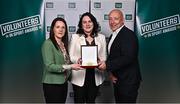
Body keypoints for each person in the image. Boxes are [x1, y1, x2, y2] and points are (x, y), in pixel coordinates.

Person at [69, 12, 107, 103]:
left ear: (94, 23)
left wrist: (100, 61)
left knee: (91, 101)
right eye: (84, 22)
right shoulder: (75, 37)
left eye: (90, 21)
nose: (87, 24)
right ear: (81, 25)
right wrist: (77, 60)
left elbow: (104, 56)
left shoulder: (101, 37)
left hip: (95, 76)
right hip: (79, 76)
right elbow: (71, 55)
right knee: (79, 101)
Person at [41, 17, 81, 103]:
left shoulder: (63, 44)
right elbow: (49, 66)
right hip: (52, 84)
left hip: (63, 83)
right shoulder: (48, 44)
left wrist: (75, 63)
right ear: (53, 29)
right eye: (57, 27)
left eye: (63, 27)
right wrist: (70, 66)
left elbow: (65, 62)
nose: (61, 30)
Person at [106, 9, 142, 103]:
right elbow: (112, 56)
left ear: (122, 20)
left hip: (128, 82)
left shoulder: (128, 35)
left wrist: (107, 65)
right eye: (110, 19)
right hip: (118, 80)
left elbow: (128, 57)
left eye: (116, 19)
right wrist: (110, 72)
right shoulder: (113, 36)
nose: (112, 22)